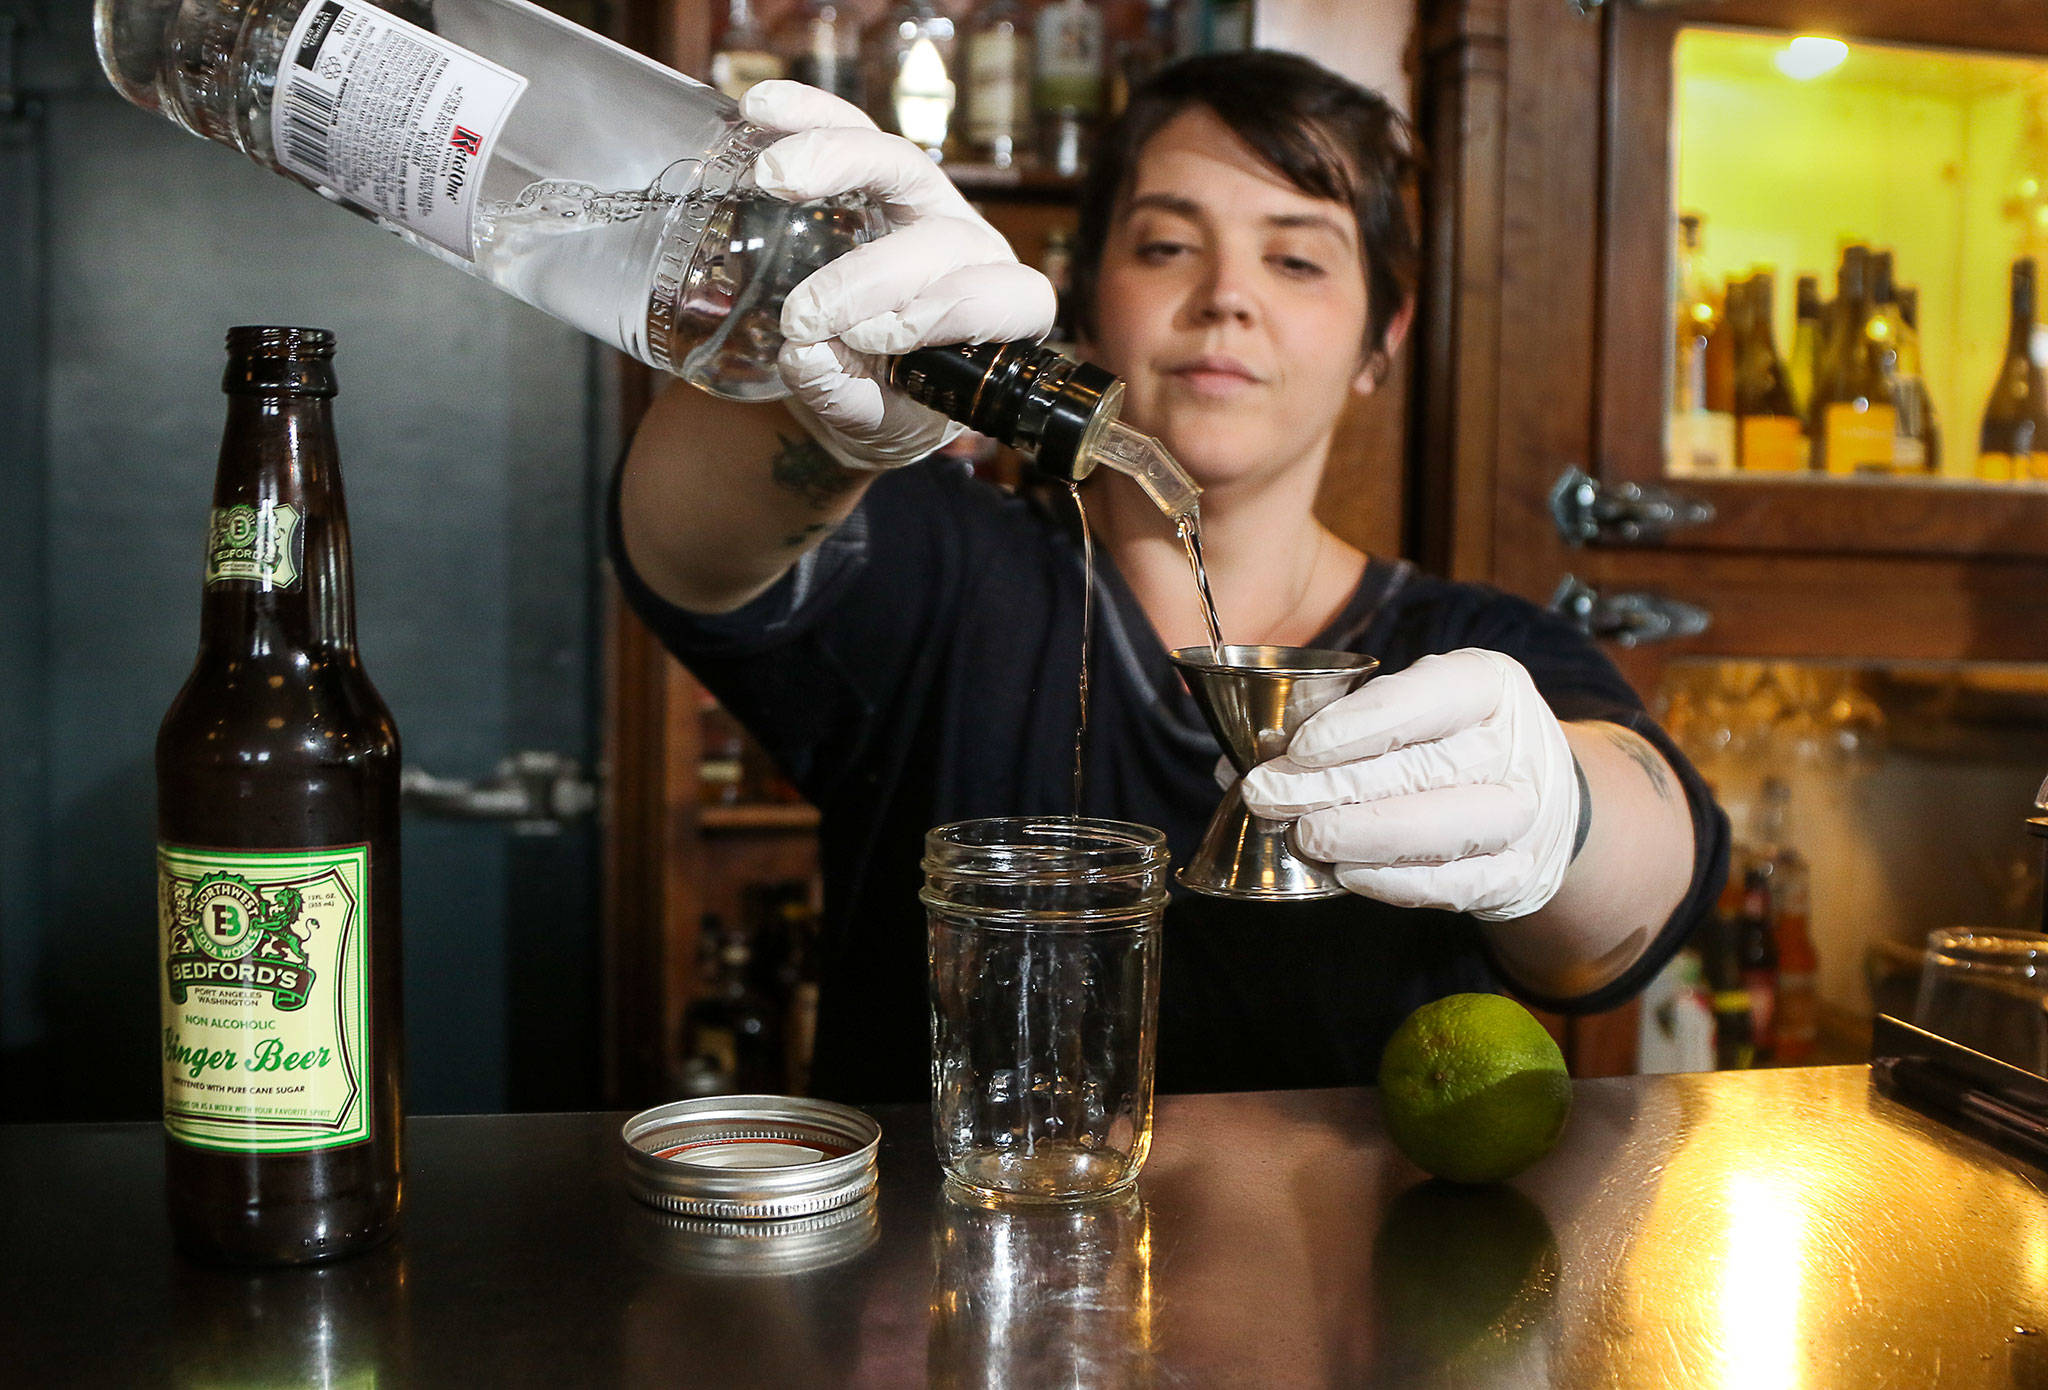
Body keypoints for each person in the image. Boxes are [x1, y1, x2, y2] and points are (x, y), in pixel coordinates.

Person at [615, 52, 1729, 1102]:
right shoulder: (946, 569)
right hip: (944, 1288)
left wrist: (1561, 813)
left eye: (1295, 258)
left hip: (1343, 1296)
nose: (1225, 298)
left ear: (1379, 338)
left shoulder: (1465, 647)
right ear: (1088, 296)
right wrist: (831, 409)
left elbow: (1641, 899)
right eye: (1163, 247)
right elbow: (684, 544)